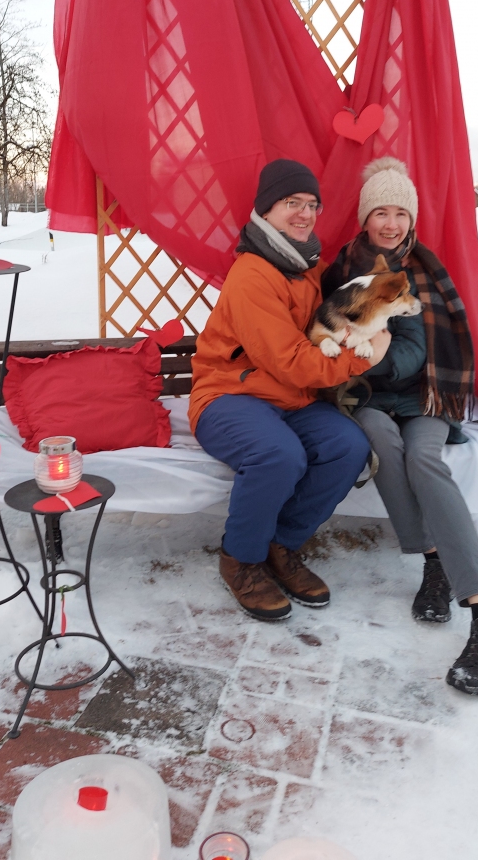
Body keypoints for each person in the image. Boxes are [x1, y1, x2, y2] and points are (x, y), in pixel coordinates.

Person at [322, 157, 478, 696]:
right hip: (366, 399)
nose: (391, 223)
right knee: (379, 442)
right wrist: (359, 356)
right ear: (364, 218)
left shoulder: (421, 272)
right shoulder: (341, 272)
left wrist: (366, 350)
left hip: (425, 396)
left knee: (424, 458)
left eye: (400, 212)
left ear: (411, 219)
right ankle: (433, 562)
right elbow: (329, 338)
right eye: (380, 211)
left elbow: (410, 355)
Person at [189, 159, 391, 622]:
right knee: (279, 455)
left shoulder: (304, 267)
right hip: (229, 397)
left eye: (311, 205)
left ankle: (281, 546)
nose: (304, 213)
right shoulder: (254, 274)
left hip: (287, 400)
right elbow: (290, 361)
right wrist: (363, 357)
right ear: (266, 210)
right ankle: (240, 559)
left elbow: (320, 333)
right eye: (291, 203)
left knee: (348, 446)